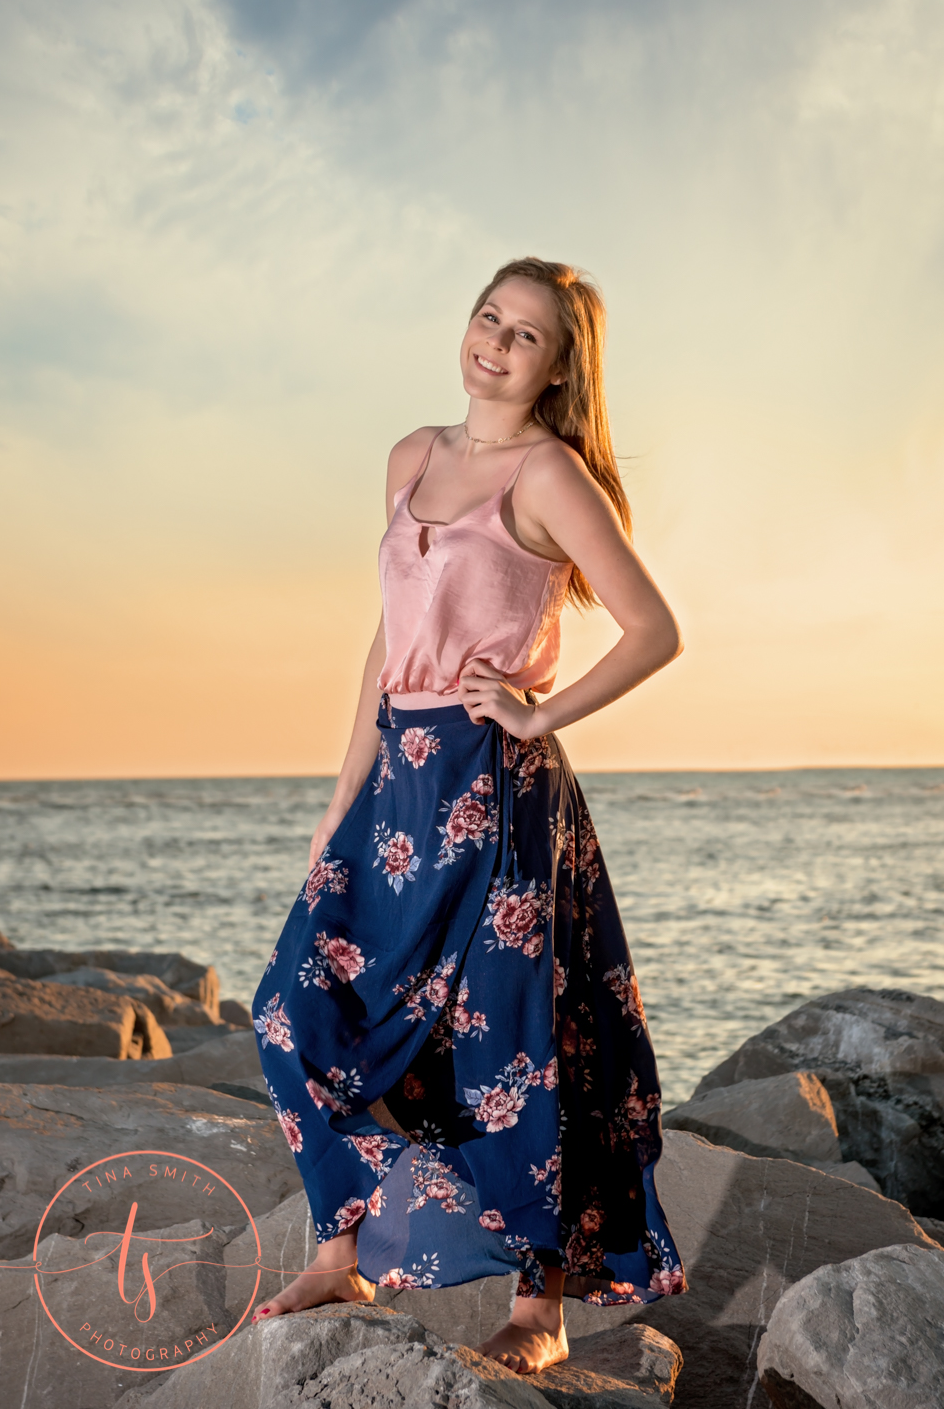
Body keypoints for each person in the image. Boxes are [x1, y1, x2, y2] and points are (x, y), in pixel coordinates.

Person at [250, 256, 686, 1375]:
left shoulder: (547, 477)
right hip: (397, 782)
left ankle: (537, 1320)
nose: (494, 341)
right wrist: (340, 797)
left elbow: (651, 629)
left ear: (554, 369)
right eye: (486, 317)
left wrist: (537, 719)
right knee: (299, 1005)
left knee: (512, 1042)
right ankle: (338, 1246)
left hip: (494, 793)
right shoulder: (409, 456)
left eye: (525, 335)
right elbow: (384, 639)